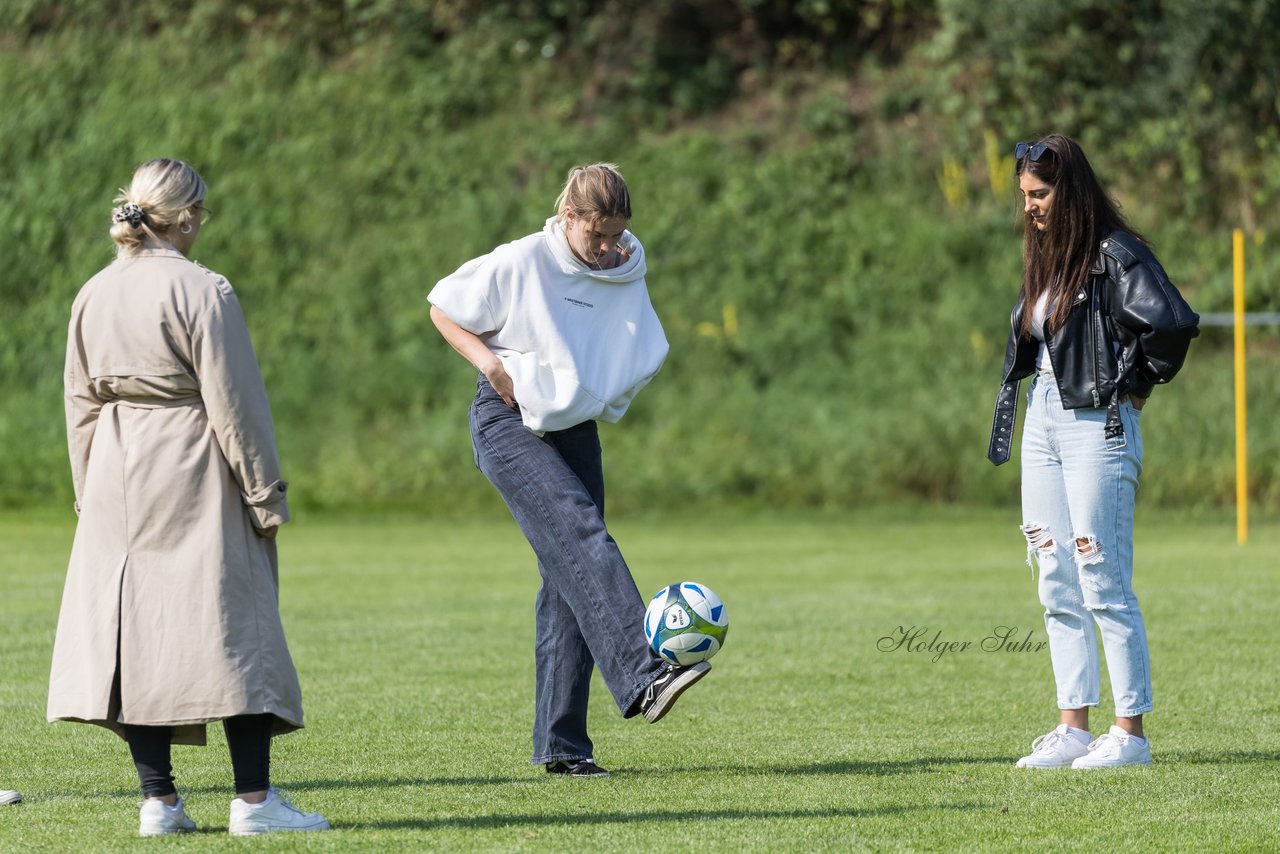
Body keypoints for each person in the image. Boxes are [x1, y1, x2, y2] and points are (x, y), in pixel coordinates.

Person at [49, 159, 329, 835]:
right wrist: (265, 496)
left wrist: (88, 491)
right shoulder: (205, 290)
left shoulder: (93, 292)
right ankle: (256, 802)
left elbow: (80, 404)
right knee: (236, 625)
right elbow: (235, 404)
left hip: (118, 468)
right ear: (187, 216)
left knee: (135, 634)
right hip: (193, 465)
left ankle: (159, 802)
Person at [428, 163, 710, 777]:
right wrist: (491, 366)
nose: (608, 249)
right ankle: (646, 671)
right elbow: (444, 308)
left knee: (566, 579)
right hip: (507, 422)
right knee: (584, 535)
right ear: (569, 218)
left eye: (617, 236)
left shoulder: (625, 268)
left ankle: (561, 748)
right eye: (597, 236)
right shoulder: (523, 258)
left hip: (574, 428)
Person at [987, 135, 1198, 769]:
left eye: (1041, 194)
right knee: (1054, 575)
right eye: (1024, 195)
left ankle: (1129, 734)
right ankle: (1072, 729)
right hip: (1045, 421)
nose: (1030, 207)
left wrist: (1134, 386)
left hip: (1095, 426)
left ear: (1071, 190)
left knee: (1101, 576)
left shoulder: (1114, 252)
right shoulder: (1048, 257)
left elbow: (1172, 322)